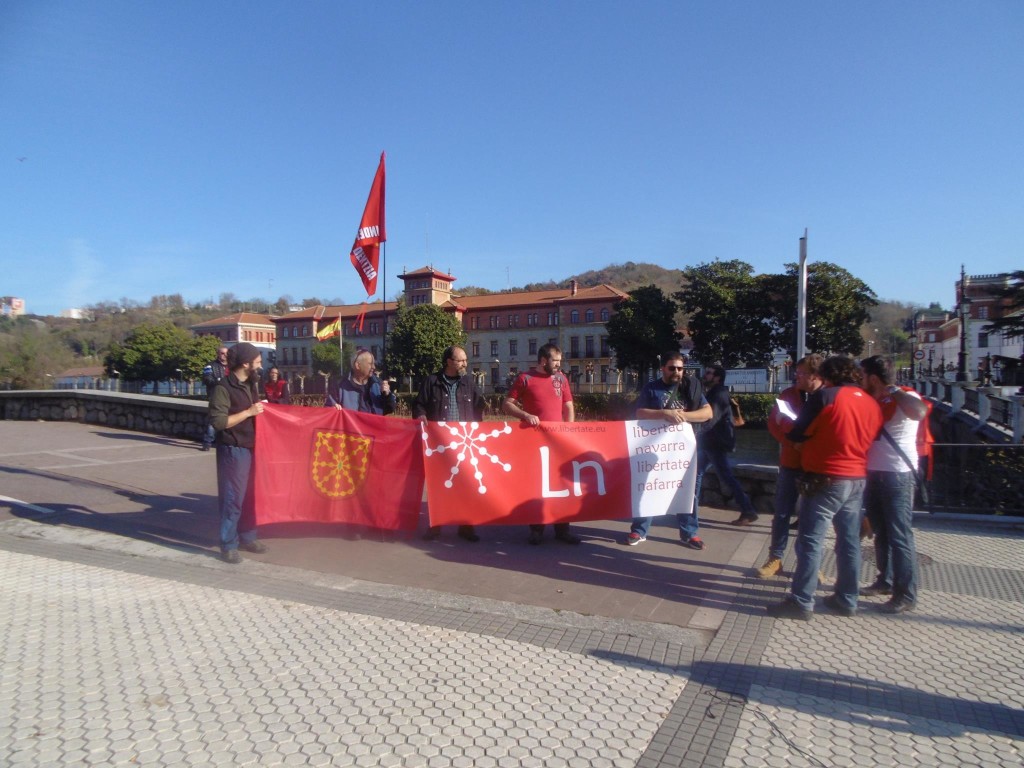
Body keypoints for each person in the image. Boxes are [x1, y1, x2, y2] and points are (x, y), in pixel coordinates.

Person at [766, 355, 882, 620]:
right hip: (856, 478)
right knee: (849, 541)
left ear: (827, 376)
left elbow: (797, 433)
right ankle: (846, 598)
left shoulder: (826, 397)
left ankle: (801, 601)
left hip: (826, 477)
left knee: (810, 540)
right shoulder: (870, 402)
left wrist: (793, 429)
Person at [859, 355, 928, 614]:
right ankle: (885, 581)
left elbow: (919, 412)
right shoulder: (872, 401)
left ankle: (907, 594)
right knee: (881, 531)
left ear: (874, 378)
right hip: (874, 473)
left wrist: (895, 390)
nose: (860, 379)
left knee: (900, 535)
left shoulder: (905, 397)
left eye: (863, 375)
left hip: (896, 475)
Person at [626, 352, 713, 548]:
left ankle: (690, 533)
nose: (676, 372)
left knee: (689, 491)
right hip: (655, 448)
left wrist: (684, 416)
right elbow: (640, 412)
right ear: (662, 368)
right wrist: (665, 413)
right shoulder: (651, 388)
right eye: (672, 368)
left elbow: (708, 413)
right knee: (648, 487)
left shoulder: (692, 387)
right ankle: (639, 530)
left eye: (680, 368)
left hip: (684, 451)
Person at [503, 343, 583, 545]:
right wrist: (525, 415)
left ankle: (562, 529)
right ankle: (536, 529)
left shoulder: (561, 379)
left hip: (559, 441)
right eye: (555, 361)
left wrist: (569, 429)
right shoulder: (525, 378)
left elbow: (568, 405)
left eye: (559, 361)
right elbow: (507, 404)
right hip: (535, 442)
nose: (558, 365)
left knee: (562, 484)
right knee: (538, 484)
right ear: (543, 360)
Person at [756, 354, 824, 578]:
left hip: (816, 466)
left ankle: (811, 565)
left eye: (802, 373)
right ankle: (775, 558)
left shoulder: (827, 397)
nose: (797, 376)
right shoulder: (787, 395)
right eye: (797, 372)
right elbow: (774, 423)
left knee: (813, 517)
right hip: (790, 462)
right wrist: (791, 443)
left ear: (815, 376)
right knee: (782, 513)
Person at [414, 346, 485, 542]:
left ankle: (466, 527)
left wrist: (478, 428)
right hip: (440, 444)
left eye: (465, 360)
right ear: (449, 361)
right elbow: (418, 403)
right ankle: (435, 527)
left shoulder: (469, 382)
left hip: (464, 443)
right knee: (438, 486)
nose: (465, 364)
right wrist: (420, 415)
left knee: (466, 485)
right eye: (461, 360)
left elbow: (479, 406)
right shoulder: (432, 381)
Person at [208, 342, 267, 564]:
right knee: (233, 498)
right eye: (258, 362)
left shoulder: (251, 383)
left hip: (251, 446)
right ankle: (228, 544)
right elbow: (219, 422)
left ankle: (248, 537)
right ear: (246, 363)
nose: (261, 366)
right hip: (233, 449)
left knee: (251, 496)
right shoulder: (223, 388)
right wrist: (249, 412)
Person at [697, 365, 759, 527]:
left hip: (715, 443)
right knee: (696, 473)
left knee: (725, 477)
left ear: (717, 377)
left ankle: (748, 510)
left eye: (709, 373)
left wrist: (693, 433)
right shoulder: (716, 392)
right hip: (711, 442)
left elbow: (711, 419)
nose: (706, 375)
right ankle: (689, 508)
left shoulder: (718, 394)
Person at [327, 349, 395, 415]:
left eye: (373, 364)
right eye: (370, 364)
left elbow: (389, 409)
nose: (374, 367)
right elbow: (328, 410)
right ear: (357, 365)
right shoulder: (339, 385)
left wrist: (387, 395)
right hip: (350, 426)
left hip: (372, 426)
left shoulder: (378, 384)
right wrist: (333, 408)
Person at [200, 345, 229, 451]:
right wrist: (220, 381)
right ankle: (207, 442)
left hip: (230, 396)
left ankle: (224, 441)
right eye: (222, 353)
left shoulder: (233, 366)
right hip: (216, 396)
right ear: (218, 354)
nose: (225, 355)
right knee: (213, 420)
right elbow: (207, 379)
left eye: (226, 353)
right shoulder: (210, 365)